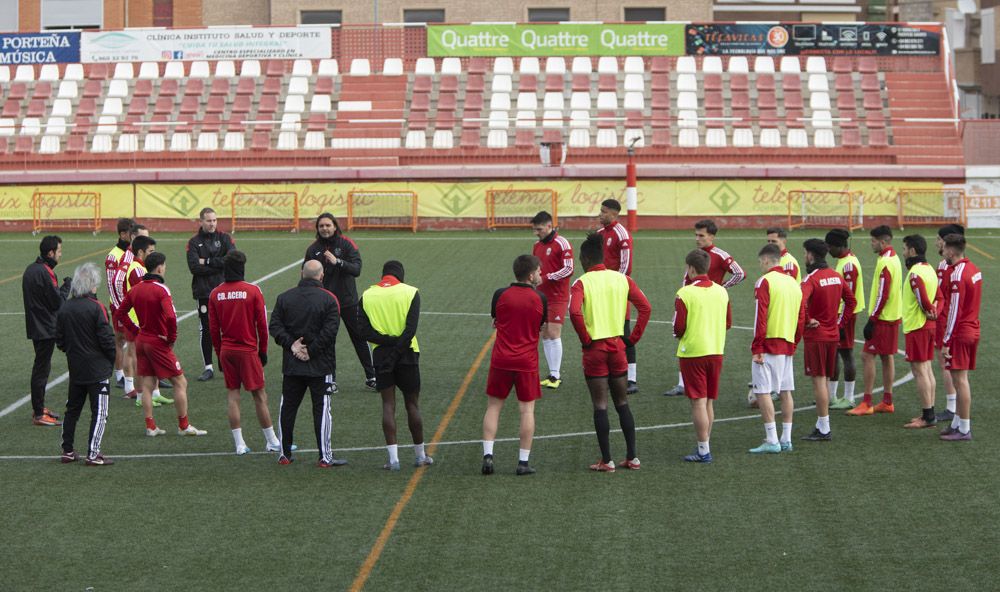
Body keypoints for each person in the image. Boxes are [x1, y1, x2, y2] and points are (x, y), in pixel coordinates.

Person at [569, 233, 651, 472]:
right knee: (623, 402)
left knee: (600, 405)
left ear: (584, 259)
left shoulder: (581, 283)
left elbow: (574, 313)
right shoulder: (621, 279)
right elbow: (645, 307)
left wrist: (585, 338)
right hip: (618, 348)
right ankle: (632, 457)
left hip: (595, 350)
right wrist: (632, 339)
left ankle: (607, 460)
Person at [116, 252, 207, 438]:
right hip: (157, 342)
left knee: (147, 384)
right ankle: (183, 426)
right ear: (159, 268)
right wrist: (171, 338)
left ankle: (151, 426)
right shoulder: (161, 290)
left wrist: (135, 329)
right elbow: (171, 317)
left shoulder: (136, 289)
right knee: (180, 382)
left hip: (142, 340)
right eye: (164, 266)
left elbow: (120, 313)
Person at [269, 260, 345, 466]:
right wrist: (310, 352)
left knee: (288, 408)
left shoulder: (285, 297)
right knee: (322, 410)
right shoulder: (330, 299)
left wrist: (292, 345)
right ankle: (324, 457)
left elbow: (274, 326)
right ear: (322, 276)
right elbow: (330, 332)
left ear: (302, 273)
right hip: (321, 366)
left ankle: (284, 454)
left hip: (292, 365)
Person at [359, 261, 433, 471]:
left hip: (381, 354)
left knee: (388, 405)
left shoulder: (367, 295)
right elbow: (410, 330)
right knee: (412, 404)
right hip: (407, 353)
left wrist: (387, 345)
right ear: (401, 275)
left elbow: (363, 332)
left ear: (383, 275)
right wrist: (398, 346)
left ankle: (393, 460)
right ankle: (420, 456)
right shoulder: (410, 292)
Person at [208, 250, 282, 455]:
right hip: (248, 351)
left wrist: (218, 354)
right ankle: (272, 441)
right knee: (259, 395)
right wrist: (263, 351)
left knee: (233, 395)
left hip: (226, 351)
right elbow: (262, 325)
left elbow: (213, 330)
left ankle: (239, 444)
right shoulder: (252, 291)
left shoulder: (215, 293)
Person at [663, 218, 745, 397]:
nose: (697, 239)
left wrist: (722, 287)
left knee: (702, 339)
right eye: (696, 235)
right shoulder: (696, 254)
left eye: (701, 235)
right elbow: (686, 279)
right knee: (685, 338)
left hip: (710, 302)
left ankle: (694, 382)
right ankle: (682, 383)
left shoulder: (721, 255)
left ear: (712, 237)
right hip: (691, 300)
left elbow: (740, 273)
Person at [482, 255, 546, 476]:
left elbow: (494, 322)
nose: (541, 274)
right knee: (526, 410)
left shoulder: (500, 295)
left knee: (493, 407)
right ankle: (523, 462)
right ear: (530, 275)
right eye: (539, 271)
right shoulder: (540, 299)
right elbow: (542, 328)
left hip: (501, 359)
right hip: (526, 362)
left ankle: (488, 456)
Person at [305, 213, 376, 393]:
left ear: (335, 226)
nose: (325, 229)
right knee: (327, 341)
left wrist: (338, 262)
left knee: (359, 338)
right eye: (321, 226)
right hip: (325, 303)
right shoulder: (313, 250)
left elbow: (357, 269)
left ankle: (372, 377)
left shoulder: (346, 244)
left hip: (348, 301)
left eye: (328, 225)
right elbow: (305, 273)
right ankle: (331, 381)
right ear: (317, 229)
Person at [673, 249, 731, 463]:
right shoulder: (721, 291)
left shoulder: (685, 292)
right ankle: (705, 443)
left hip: (693, 352)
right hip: (716, 350)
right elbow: (728, 322)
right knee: (708, 402)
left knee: (698, 402)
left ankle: (703, 450)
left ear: (690, 268)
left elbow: (678, 328)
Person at [56, 263, 116, 466]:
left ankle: (67, 450)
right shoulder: (96, 307)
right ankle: (93, 453)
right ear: (92, 285)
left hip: (76, 368)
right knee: (100, 413)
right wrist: (112, 358)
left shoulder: (65, 307)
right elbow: (106, 338)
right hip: (97, 368)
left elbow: (60, 340)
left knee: (72, 409)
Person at [748, 244, 805, 454]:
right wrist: (795, 342)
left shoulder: (765, 282)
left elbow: (760, 317)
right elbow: (801, 317)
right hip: (787, 344)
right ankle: (786, 439)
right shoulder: (793, 283)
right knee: (786, 391)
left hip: (768, 344)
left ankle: (772, 440)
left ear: (765, 260)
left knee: (762, 391)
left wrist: (757, 346)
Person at [799, 239, 856, 442]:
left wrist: (807, 320)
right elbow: (851, 301)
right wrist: (840, 323)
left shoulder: (810, 279)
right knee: (823, 379)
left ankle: (824, 427)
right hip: (832, 335)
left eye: (805, 253)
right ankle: (821, 426)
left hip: (816, 337)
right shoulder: (835, 276)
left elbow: (800, 301)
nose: (804, 256)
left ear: (811, 255)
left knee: (819, 381)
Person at [847, 225, 902, 416]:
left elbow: (883, 293)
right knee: (887, 357)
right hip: (892, 316)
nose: (871, 244)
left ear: (883, 242)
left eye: (873, 241)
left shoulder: (886, 262)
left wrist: (872, 319)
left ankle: (867, 402)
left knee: (867, 356)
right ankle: (887, 401)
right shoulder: (893, 257)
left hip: (883, 319)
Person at [22, 235, 71, 426]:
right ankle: (38, 413)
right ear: (50, 253)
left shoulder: (30, 269)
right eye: (59, 252)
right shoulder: (45, 271)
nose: (60, 255)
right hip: (45, 328)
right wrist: (67, 286)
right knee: (41, 370)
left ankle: (39, 408)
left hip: (36, 325)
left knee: (42, 368)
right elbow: (57, 302)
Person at [119, 235, 172, 408]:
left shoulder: (139, 267)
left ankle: (154, 393)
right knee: (138, 358)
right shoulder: (136, 269)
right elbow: (141, 295)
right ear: (141, 252)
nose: (153, 255)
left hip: (141, 319)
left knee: (146, 358)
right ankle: (141, 395)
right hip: (138, 320)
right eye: (150, 251)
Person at [939, 234, 981, 441]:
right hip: (972, 328)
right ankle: (957, 423)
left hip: (961, 333)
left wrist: (947, 341)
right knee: (959, 379)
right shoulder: (973, 269)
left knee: (960, 380)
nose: (942, 251)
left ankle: (964, 429)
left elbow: (954, 311)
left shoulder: (957, 275)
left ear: (951, 251)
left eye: (944, 248)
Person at [186, 207, 235, 382]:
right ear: (201, 221)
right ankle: (208, 367)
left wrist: (206, 261)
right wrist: (218, 264)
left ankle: (229, 364)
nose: (212, 223)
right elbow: (194, 267)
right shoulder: (193, 243)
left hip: (225, 291)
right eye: (208, 220)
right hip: (204, 292)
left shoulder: (225, 238)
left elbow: (231, 260)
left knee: (229, 328)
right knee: (206, 329)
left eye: (214, 220)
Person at [596, 199, 639, 394]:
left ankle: (631, 379)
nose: (600, 214)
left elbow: (626, 267)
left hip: (617, 293)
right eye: (600, 211)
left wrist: (612, 287)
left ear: (614, 214)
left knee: (624, 334)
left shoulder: (622, 235)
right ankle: (606, 373)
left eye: (604, 212)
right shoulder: (599, 235)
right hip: (600, 292)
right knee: (602, 332)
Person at [900, 235, 942, 430]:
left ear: (913, 251)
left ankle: (927, 416)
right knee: (927, 369)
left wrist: (929, 309)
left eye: (905, 248)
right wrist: (936, 312)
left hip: (917, 326)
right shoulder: (930, 269)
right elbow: (940, 297)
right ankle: (929, 412)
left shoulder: (915, 273)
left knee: (920, 371)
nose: (903, 252)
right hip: (928, 327)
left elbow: (922, 298)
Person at [531, 211, 573, 390]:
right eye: (534, 229)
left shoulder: (562, 243)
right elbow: (536, 269)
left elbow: (569, 269)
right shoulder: (537, 245)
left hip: (558, 297)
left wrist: (546, 277)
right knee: (545, 333)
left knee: (554, 333)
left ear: (549, 226)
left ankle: (556, 375)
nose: (536, 232)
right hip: (541, 296)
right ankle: (551, 373)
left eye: (539, 229)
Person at [825, 229, 865, 410]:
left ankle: (848, 398)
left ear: (838, 246)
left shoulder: (848, 265)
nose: (828, 250)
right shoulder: (844, 261)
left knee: (846, 354)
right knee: (835, 354)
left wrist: (841, 320)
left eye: (829, 246)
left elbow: (848, 295)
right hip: (841, 314)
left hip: (845, 316)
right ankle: (831, 395)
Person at [111, 223, 148, 397]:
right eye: (143, 237)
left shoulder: (137, 258)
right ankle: (130, 386)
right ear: (133, 238)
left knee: (136, 348)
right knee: (130, 347)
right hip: (129, 310)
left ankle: (140, 385)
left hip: (135, 309)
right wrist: (122, 309)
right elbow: (116, 283)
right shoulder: (125, 258)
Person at [933, 224, 964, 423]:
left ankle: (952, 407)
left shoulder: (945, 266)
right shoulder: (962, 266)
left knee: (946, 363)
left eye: (939, 239)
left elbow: (940, 294)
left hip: (946, 320)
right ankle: (956, 407)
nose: (936, 242)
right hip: (955, 319)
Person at [105, 217, 134, 389]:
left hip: (135, 304)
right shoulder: (113, 256)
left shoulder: (133, 251)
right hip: (120, 305)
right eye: (131, 234)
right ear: (123, 234)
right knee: (121, 339)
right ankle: (120, 375)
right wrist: (120, 309)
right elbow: (111, 285)